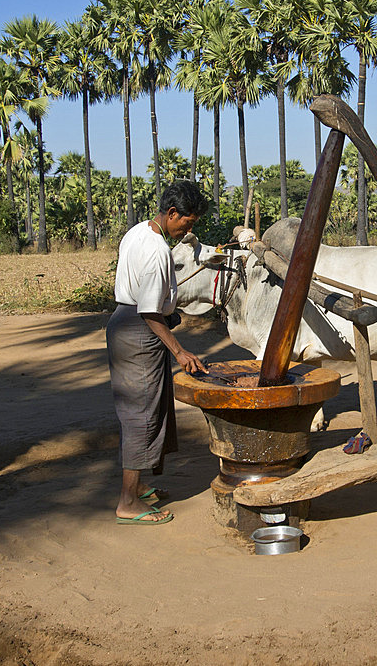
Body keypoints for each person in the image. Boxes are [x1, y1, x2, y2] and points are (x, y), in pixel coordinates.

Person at [107, 181, 210, 525]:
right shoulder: (156, 250)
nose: (189, 229)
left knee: (150, 407)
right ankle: (127, 502)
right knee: (142, 415)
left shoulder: (137, 232)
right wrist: (180, 352)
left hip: (126, 322)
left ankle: (139, 486)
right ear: (171, 213)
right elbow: (150, 313)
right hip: (140, 331)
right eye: (188, 222)